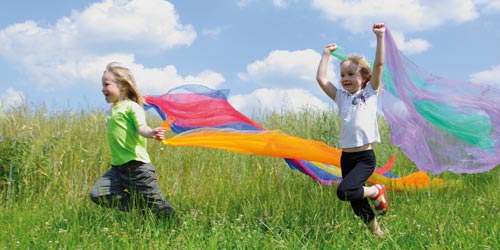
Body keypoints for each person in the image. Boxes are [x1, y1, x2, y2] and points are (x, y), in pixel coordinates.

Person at [316, 23, 388, 237]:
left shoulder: (370, 93)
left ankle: (377, 191)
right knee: (356, 203)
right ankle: (378, 235)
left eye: (351, 74)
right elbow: (321, 79)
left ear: (364, 77)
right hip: (346, 158)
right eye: (343, 75)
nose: (345, 78)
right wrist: (326, 54)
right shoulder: (341, 97)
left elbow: (380, 65)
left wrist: (380, 37)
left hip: (365, 158)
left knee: (345, 192)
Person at [90, 62, 175, 219]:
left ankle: (176, 227)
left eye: (106, 84)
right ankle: (142, 210)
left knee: (157, 205)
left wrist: (152, 133)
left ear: (123, 85)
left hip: (137, 167)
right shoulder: (114, 109)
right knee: (98, 194)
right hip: (117, 168)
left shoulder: (132, 107)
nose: (103, 89)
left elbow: (141, 127)